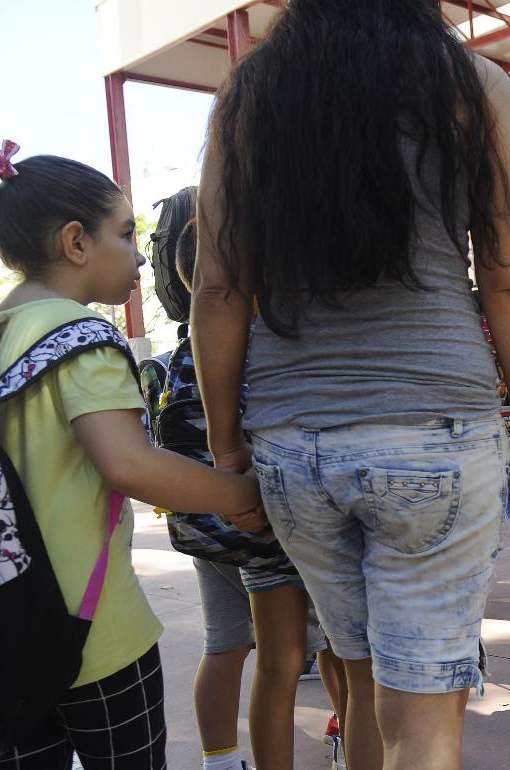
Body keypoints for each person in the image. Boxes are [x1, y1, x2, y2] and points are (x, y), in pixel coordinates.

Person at [190, 4, 510, 769]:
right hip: (436, 432)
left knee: (360, 684)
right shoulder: (472, 84)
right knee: (424, 721)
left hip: (293, 444)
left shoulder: (251, 92)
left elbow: (219, 286)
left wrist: (230, 455)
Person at [0, 150, 263, 769]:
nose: (141, 254)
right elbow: (129, 465)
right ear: (75, 242)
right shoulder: (82, 338)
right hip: (95, 634)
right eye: (125, 234)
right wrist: (242, 496)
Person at [169, 220, 346, 770]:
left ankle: (221, 760)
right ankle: (352, 748)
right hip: (286, 527)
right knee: (343, 654)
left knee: (258, 658)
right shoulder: (264, 344)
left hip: (217, 529)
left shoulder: (184, 354)